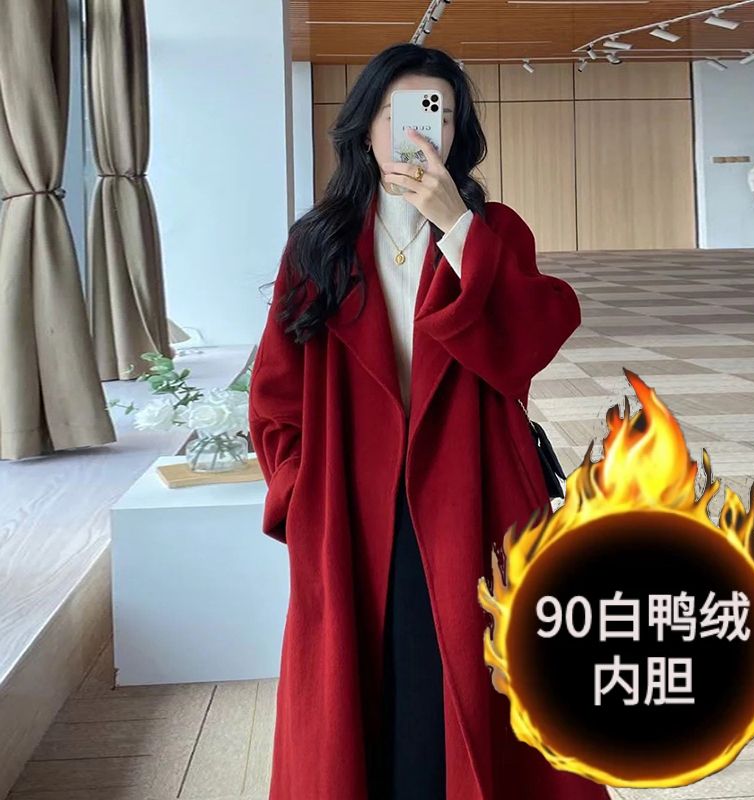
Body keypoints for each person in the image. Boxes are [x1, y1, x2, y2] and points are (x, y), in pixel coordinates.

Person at [248, 42, 609, 800]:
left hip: (475, 493)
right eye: (396, 111)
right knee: (367, 691)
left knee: (474, 684)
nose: (416, 130)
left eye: (435, 113)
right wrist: (299, 491)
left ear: (456, 130)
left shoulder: (493, 231)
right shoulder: (319, 243)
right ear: (365, 127)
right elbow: (277, 394)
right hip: (349, 501)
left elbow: (530, 345)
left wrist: (458, 228)